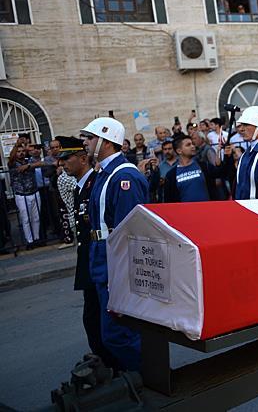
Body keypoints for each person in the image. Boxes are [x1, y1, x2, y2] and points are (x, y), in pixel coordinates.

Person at [81, 117, 148, 371]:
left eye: (90, 137)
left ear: (106, 142)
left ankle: (147, 379)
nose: (85, 142)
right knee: (110, 332)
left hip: (115, 262)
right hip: (101, 258)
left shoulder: (124, 177)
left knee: (119, 335)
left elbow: (128, 232)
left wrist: (120, 273)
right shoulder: (104, 173)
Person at [55, 135, 119, 370]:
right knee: (92, 318)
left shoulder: (97, 184)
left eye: (67, 158)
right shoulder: (78, 189)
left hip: (100, 261)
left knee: (98, 319)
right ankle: (106, 361)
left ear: (83, 159)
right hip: (88, 261)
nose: (62, 163)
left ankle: (113, 365)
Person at [163, 135, 223, 203]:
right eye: (188, 145)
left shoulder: (204, 166)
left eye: (192, 144)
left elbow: (221, 173)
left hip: (208, 211)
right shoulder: (171, 175)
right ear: (179, 151)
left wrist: (224, 158)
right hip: (184, 212)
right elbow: (168, 201)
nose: (193, 146)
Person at [9, 143, 44, 248]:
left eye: (22, 151)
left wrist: (28, 165)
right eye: (18, 151)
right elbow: (16, 164)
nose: (21, 153)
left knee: (36, 217)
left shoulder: (29, 161)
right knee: (26, 219)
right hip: (21, 194)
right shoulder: (12, 163)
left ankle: (36, 238)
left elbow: (42, 163)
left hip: (34, 191)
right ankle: (29, 241)